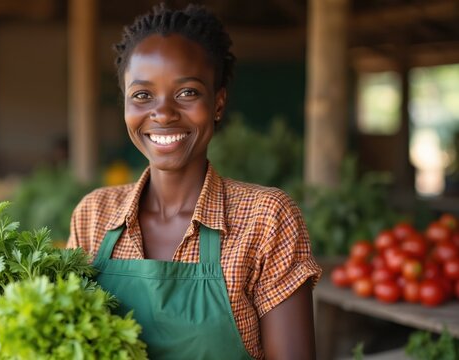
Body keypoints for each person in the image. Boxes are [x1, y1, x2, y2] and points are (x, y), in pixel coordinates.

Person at [68, 4, 321, 359]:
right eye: (142, 95)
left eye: (187, 92)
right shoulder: (94, 215)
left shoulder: (266, 218)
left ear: (218, 104)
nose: (164, 113)